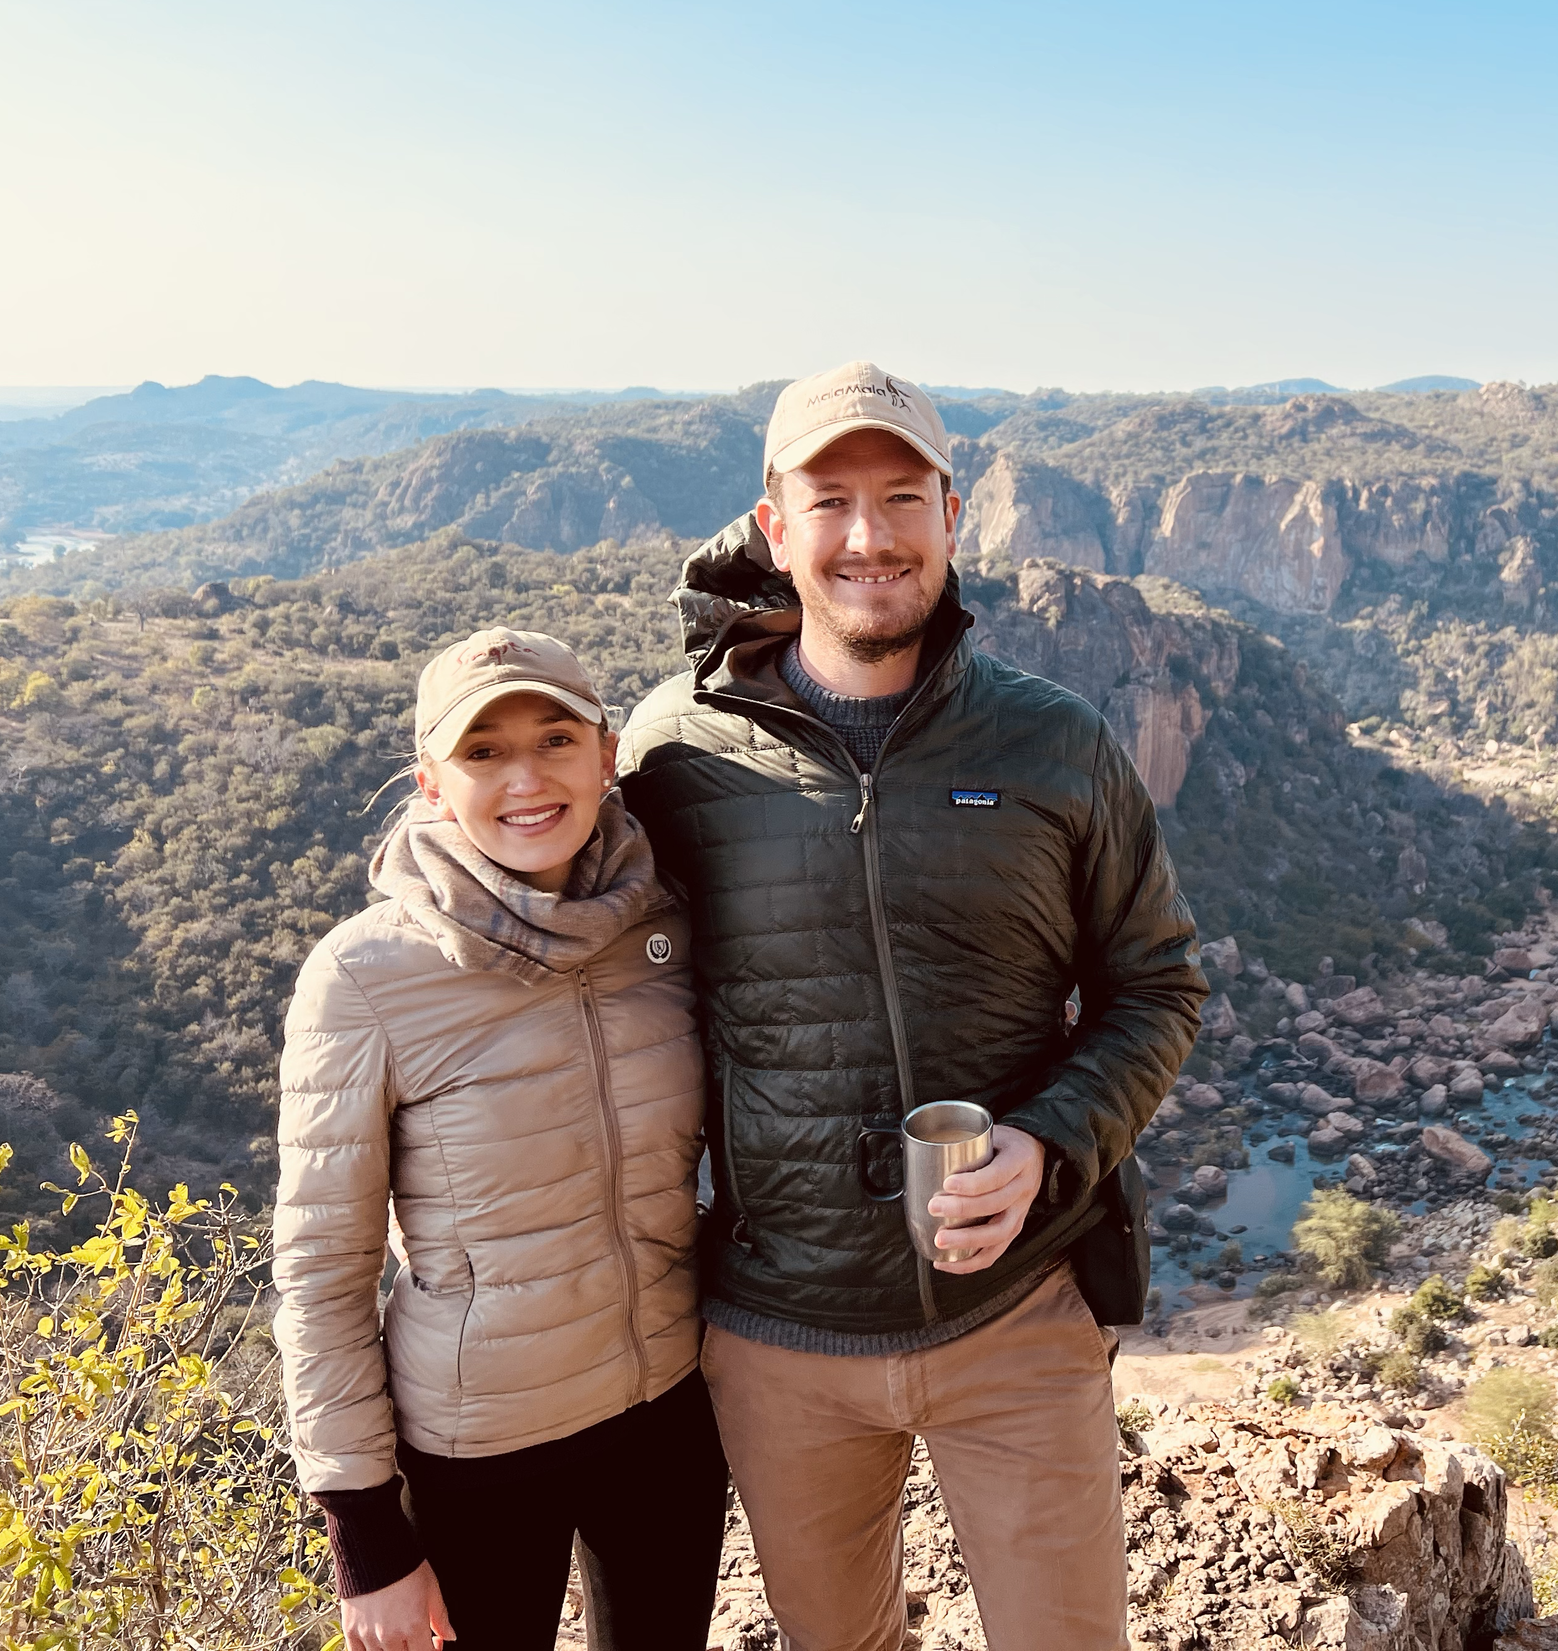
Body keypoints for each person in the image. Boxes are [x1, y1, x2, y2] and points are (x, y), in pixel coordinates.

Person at [619, 360, 1207, 1651]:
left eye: (901, 497)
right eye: (831, 501)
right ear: (775, 526)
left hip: (1018, 1314)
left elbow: (1158, 982)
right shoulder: (671, 755)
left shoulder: (1056, 745)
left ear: (955, 510)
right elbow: (566, 970)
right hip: (781, 1339)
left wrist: (1049, 1140)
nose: (869, 536)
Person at [273, 629, 730, 1651]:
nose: (526, 779)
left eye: (554, 739)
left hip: (665, 1416)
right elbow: (321, 1269)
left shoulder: (665, 925)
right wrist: (365, 1537)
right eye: (482, 752)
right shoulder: (364, 978)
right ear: (432, 780)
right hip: (479, 1449)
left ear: (606, 756)